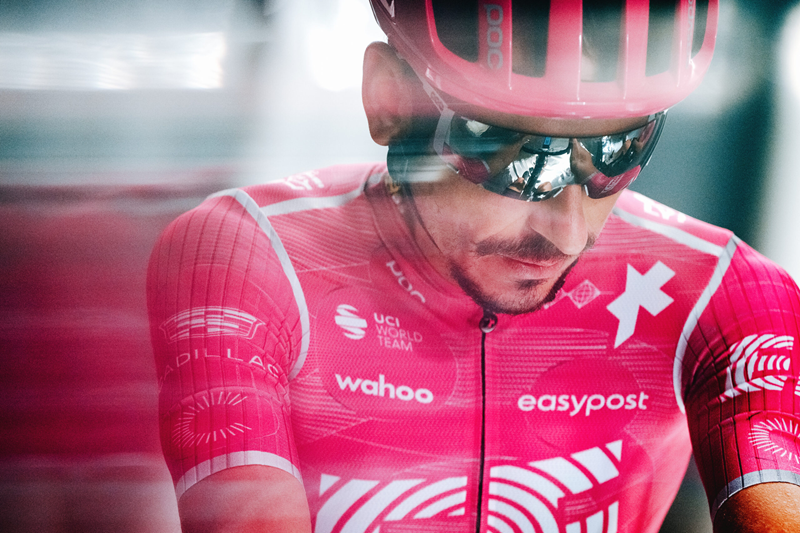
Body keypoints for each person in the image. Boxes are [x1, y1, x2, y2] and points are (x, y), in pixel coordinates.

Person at [147, 1, 800, 531]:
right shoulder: (248, 255)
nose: (569, 231)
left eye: (617, 153)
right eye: (526, 162)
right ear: (389, 98)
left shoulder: (724, 290)